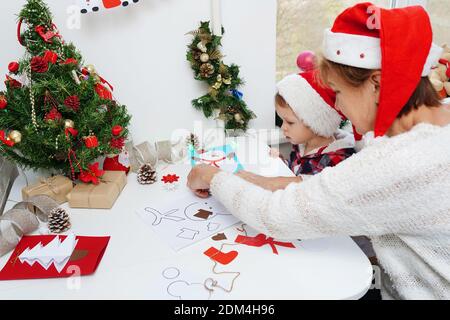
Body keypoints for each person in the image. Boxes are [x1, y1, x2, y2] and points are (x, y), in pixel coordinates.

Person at [187, 3, 450, 299]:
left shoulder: (401, 161)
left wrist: (212, 178)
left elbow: (276, 216)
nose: (337, 107)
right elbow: (320, 188)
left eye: (338, 92)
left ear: (377, 83)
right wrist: (249, 177)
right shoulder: (434, 127)